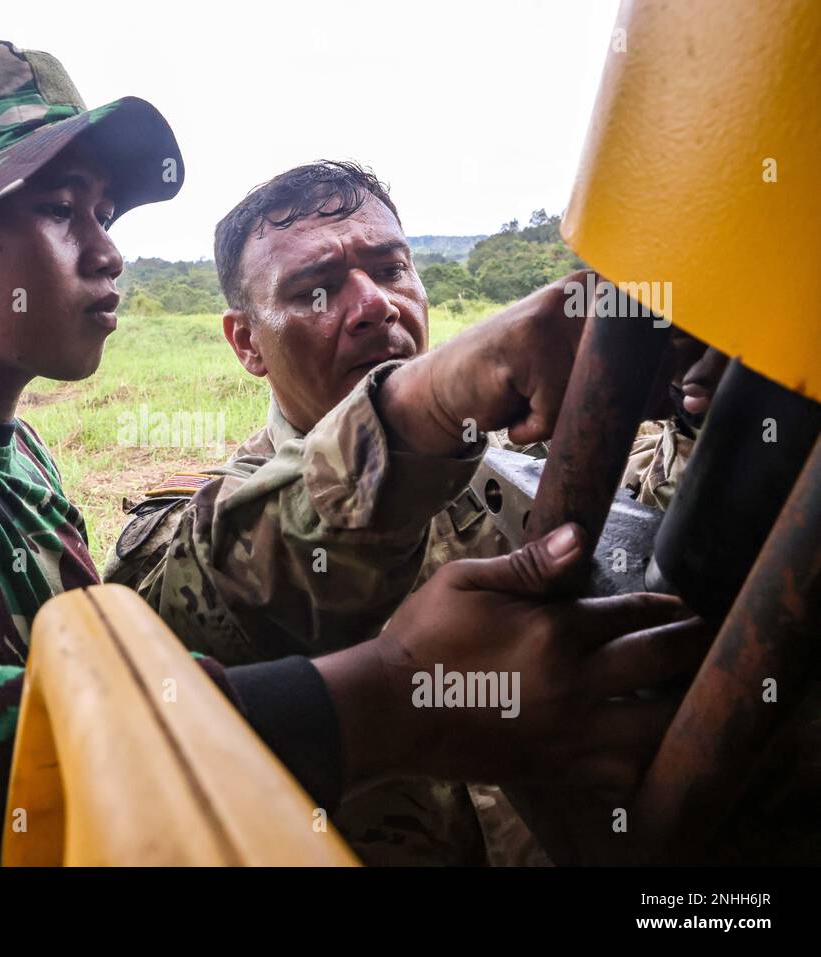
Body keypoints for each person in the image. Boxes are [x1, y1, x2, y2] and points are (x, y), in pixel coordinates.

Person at [0, 43, 703, 866]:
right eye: (57, 210)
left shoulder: (23, 477)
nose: (106, 247)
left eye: (102, 211)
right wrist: (383, 699)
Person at [103, 160, 710, 863]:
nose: (372, 305)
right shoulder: (195, 524)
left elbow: (652, 536)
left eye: (391, 271)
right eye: (316, 290)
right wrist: (421, 409)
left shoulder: (510, 461)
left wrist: (699, 409)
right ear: (245, 342)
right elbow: (189, 603)